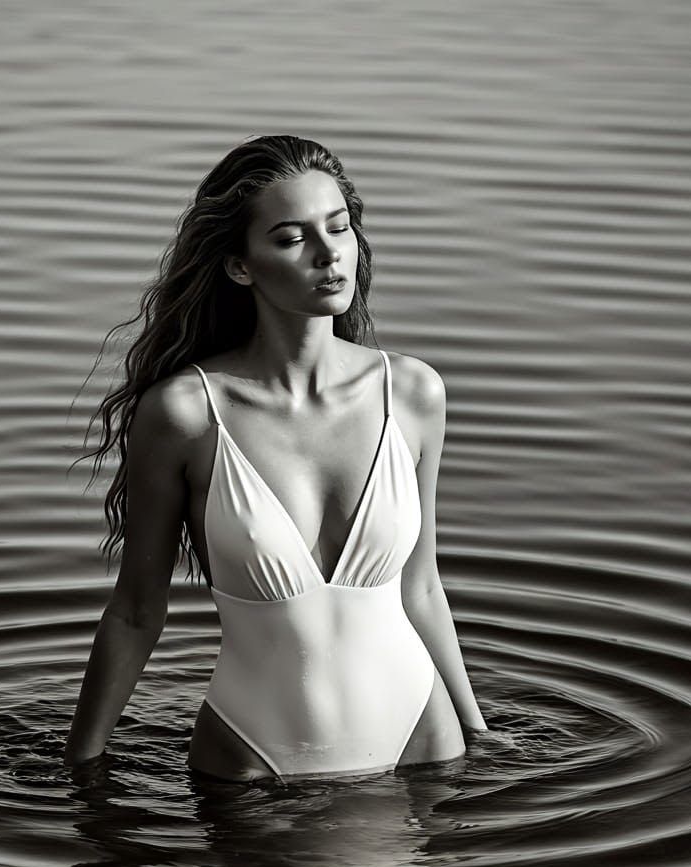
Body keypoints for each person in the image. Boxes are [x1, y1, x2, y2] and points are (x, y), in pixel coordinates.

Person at [65, 134, 488, 782]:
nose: (329, 254)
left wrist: (481, 733)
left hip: (425, 742)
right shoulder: (186, 414)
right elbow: (135, 610)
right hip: (253, 752)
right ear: (240, 265)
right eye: (292, 239)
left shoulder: (411, 394)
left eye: (339, 227)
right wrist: (81, 768)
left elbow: (421, 586)